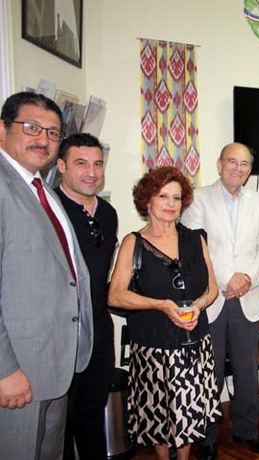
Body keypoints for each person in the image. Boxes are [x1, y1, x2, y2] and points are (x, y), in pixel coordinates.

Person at [0, 92, 93, 459]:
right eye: (32, 127)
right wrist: (5, 370)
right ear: (3, 130)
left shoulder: (42, 189)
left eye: (53, 133)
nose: (43, 139)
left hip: (54, 363)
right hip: (18, 369)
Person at [108, 166, 220, 460]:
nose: (171, 203)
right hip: (153, 346)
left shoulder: (196, 239)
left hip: (194, 343)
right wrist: (160, 304)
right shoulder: (134, 243)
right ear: (148, 200)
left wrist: (199, 305)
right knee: (158, 414)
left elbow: (212, 289)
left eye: (177, 197)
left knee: (188, 414)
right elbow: (116, 294)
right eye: (163, 196)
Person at [180, 143, 259, 457]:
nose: (238, 168)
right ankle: (207, 438)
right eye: (232, 162)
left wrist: (247, 278)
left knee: (247, 370)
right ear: (219, 164)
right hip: (212, 298)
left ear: (250, 169)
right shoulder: (198, 198)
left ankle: (248, 430)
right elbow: (197, 247)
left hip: (247, 298)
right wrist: (227, 279)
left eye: (245, 163)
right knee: (210, 371)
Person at [56, 133, 119, 459]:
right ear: (61, 166)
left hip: (99, 327)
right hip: (62, 334)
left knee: (93, 412)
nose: (91, 172)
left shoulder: (108, 213)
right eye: (81, 163)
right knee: (61, 423)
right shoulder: (50, 212)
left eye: (97, 164)